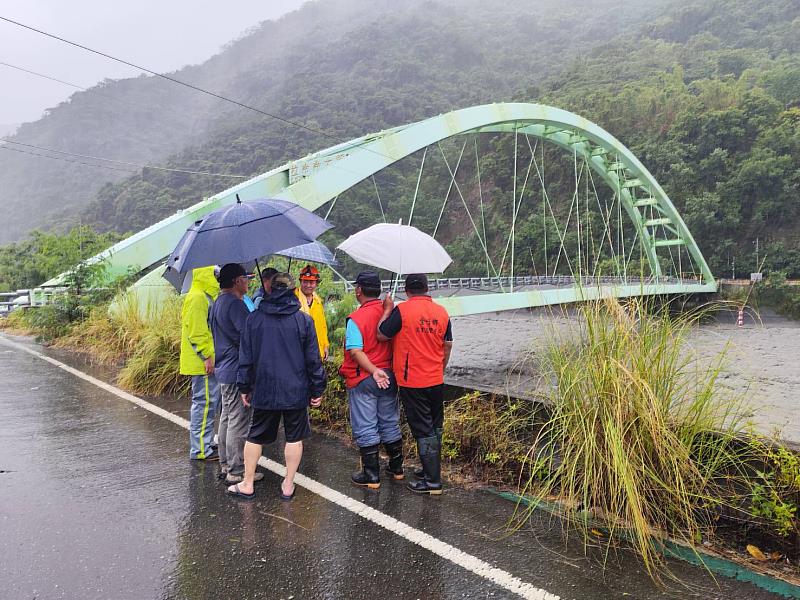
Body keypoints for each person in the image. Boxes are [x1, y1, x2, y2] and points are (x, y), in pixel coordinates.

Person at [227, 272, 327, 500]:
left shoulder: (254, 320)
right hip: (295, 390)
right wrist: (317, 389)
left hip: (264, 389)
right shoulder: (303, 320)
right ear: (294, 292)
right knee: (294, 437)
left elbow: (246, 359)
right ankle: (288, 485)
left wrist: (244, 387)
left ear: (269, 290)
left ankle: (248, 483)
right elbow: (313, 360)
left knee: (255, 436)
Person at [377, 273, 453, 495]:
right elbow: (447, 345)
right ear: (427, 288)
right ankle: (430, 469)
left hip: (413, 380)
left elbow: (381, 334)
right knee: (435, 426)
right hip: (435, 378)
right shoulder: (442, 312)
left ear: (407, 290)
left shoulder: (403, 310)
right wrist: (441, 368)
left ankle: (432, 481)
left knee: (422, 429)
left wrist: (388, 309)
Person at [339, 271, 403, 489]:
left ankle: (371, 474)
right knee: (389, 421)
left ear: (358, 291)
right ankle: (396, 468)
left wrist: (373, 370)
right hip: (390, 376)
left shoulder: (356, 319)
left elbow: (356, 352)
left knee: (366, 425)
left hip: (365, 378)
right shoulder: (391, 313)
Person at [210, 264, 264, 484]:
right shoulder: (235, 305)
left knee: (226, 417)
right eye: (245, 277)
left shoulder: (217, 303)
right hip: (235, 369)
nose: (248, 281)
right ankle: (237, 469)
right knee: (238, 420)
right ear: (236, 281)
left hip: (223, 367)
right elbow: (247, 337)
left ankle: (225, 463)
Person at [179, 265, 222, 461]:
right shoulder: (198, 297)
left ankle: (205, 444)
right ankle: (201, 450)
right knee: (204, 404)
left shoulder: (204, 295)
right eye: (215, 274)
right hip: (203, 362)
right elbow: (197, 332)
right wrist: (207, 356)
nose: (218, 277)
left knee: (208, 404)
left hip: (204, 360)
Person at [295, 264, 329, 360]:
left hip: (317, 351)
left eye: (311, 282)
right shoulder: (293, 300)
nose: (308, 285)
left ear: (316, 283)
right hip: (299, 352)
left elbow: (322, 326)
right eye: (305, 281)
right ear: (300, 282)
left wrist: (325, 345)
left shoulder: (318, 301)